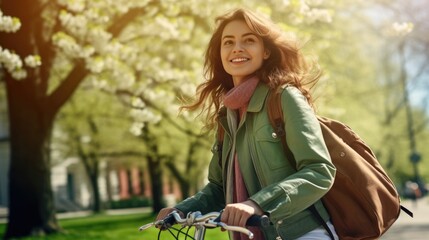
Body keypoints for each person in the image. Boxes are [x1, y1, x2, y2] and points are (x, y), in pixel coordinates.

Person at [156, 8, 338, 240]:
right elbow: (218, 187)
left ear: (266, 52)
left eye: (249, 40)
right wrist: (180, 209)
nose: (237, 48)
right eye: (228, 42)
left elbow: (319, 170)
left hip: (303, 233)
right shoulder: (228, 116)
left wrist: (257, 204)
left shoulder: (283, 97)